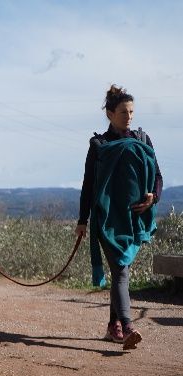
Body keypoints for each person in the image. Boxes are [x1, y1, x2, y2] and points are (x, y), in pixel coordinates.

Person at [75, 84, 162, 350]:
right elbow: (88, 185)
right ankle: (128, 326)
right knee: (121, 270)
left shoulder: (143, 140)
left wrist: (153, 197)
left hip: (134, 220)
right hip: (108, 221)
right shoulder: (100, 145)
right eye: (124, 112)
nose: (129, 117)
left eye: (132, 112)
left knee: (119, 272)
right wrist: (82, 220)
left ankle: (113, 326)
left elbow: (157, 176)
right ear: (110, 114)